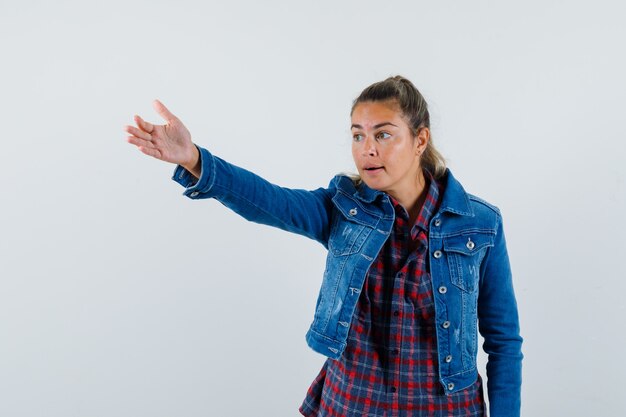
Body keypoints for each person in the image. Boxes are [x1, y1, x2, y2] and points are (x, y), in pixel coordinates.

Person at [124, 76, 523, 417]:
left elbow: (503, 341)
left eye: (383, 134)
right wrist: (194, 159)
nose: (367, 148)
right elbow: (269, 201)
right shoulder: (341, 207)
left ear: (420, 140)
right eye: (357, 135)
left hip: (444, 408)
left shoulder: (480, 224)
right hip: (353, 402)